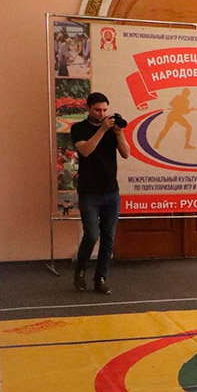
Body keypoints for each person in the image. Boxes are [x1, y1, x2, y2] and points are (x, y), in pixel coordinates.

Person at [70, 92, 129, 294]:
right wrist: (102, 130)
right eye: (97, 110)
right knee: (92, 234)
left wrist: (119, 133)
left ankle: (101, 278)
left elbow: (126, 153)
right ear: (88, 108)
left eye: (105, 110)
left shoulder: (112, 130)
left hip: (111, 191)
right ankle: (80, 270)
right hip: (89, 192)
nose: (102, 114)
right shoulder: (79, 128)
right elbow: (86, 150)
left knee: (108, 237)